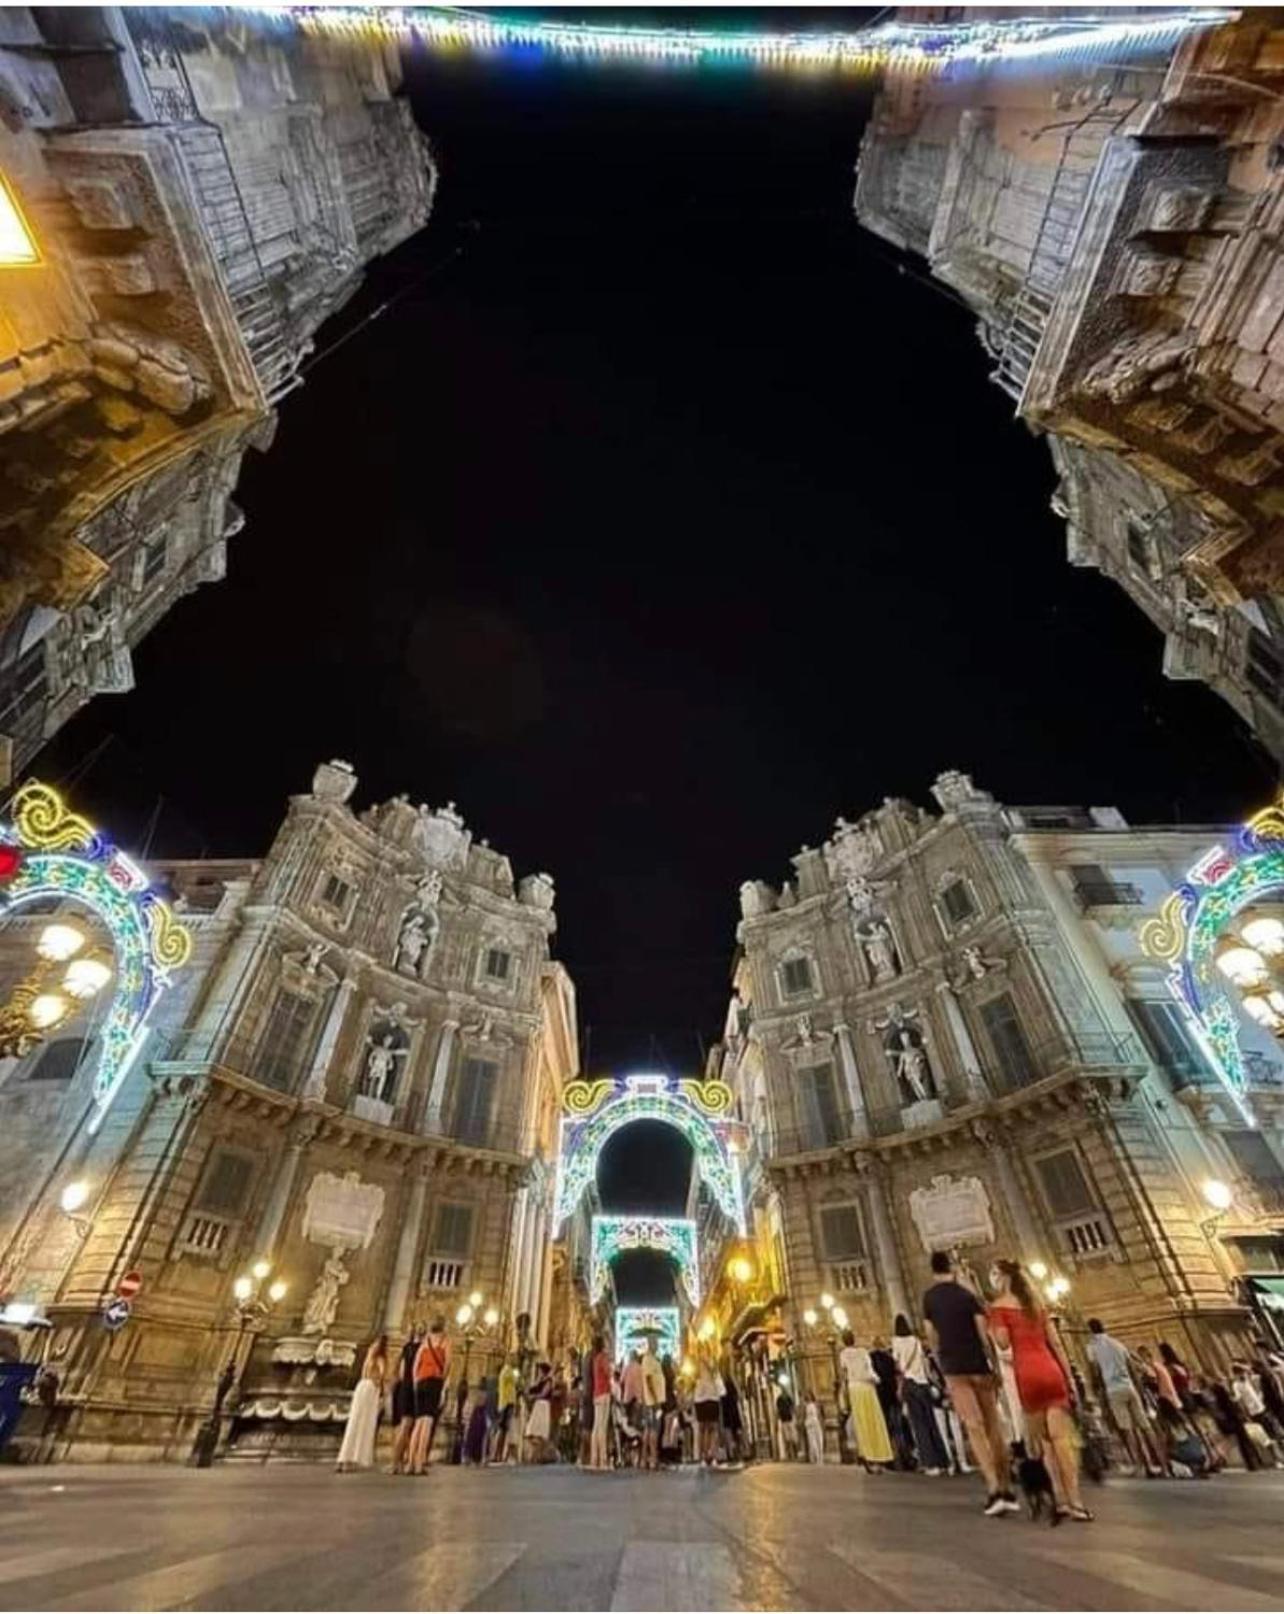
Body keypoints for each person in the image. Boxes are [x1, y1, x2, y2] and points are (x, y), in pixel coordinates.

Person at [987, 1259, 1091, 1523]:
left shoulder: (998, 1307)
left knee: (1044, 1445)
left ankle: (1059, 1500)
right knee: (1062, 1441)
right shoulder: (1037, 1305)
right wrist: (1069, 1378)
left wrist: (991, 1327)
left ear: (1004, 1278)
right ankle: (1077, 1502)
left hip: (1028, 1375)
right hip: (1051, 1370)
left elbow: (1002, 1344)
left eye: (995, 1274)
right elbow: (1056, 1343)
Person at [923, 1250, 1016, 1516]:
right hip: (979, 1366)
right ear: (952, 1269)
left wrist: (942, 1367)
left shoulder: (930, 1298)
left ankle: (993, 1488)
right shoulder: (968, 1297)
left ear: (933, 1271)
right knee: (993, 1427)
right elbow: (984, 1336)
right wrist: (994, 1366)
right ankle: (1007, 1486)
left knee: (974, 1429)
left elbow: (932, 1337)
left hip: (955, 1370)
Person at [1085, 1318, 1164, 1476]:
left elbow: (1095, 1371)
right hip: (1130, 1387)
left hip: (1113, 1390)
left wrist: (1097, 1390)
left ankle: (1141, 1465)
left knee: (1127, 1429)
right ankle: (1162, 1463)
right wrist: (1140, 1391)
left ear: (1091, 1331)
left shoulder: (1091, 1347)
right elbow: (1132, 1369)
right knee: (1145, 1426)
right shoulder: (1118, 1344)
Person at [891, 1314, 948, 1476]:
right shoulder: (916, 1341)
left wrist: (899, 1387)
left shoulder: (897, 1342)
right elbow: (924, 1364)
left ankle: (930, 1464)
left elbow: (898, 1367)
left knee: (919, 1425)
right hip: (923, 1383)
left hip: (910, 1384)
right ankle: (943, 1461)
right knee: (931, 1422)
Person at [837, 1330, 894, 1470]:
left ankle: (867, 1455)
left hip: (855, 1388)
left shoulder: (843, 1354)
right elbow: (870, 1370)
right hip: (868, 1387)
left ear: (843, 1341)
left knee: (861, 1423)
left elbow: (844, 1374)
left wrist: (842, 1394)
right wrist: (876, 1380)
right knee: (875, 1421)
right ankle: (881, 1454)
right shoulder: (863, 1352)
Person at [407, 1315, 451, 1474]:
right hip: (434, 1382)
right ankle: (419, 1464)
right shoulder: (445, 1341)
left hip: (420, 1382)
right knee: (427, 1423)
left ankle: (410, 1463)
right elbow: (447, 1365)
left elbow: (416, 1365)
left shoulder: (425, 1342)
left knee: (418, 1423)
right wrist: (441, 1384)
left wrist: (416, 1383)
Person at [336, 1334, 386, 1472]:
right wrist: (379, 1386)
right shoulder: (377, 1359)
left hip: (363, 1387)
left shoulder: (369, 1359)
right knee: (363, 1423)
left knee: (356, 1423)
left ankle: (345, 1458)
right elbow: (380, 1376)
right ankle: (351, 1458)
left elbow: (373, 1375)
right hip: (368, 1389)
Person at [870, 1334, 911, 1468]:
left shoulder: (870, 1359)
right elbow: (897, 1374)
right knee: (898, 1426)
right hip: (893, 1396)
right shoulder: (889, 1358)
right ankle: (904, 1455)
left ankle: (889, 1456)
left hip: (879, 1398)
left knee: (885, 1427)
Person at [388, 1323, 422, 1474]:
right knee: (408, 1426)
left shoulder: (406, 1348)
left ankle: (399, 1462)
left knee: (403, 1426)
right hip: (414, 1388)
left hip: (403, 1388)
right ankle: (397, 1462)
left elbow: (399, 1371)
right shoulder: (422, 1350)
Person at [693, 1349, 724, 1467]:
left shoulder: (712, 1360)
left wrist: (707, 1362)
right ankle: (703, 1456)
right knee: (703, 1427)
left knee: (714, 1426)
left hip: (712, 1395)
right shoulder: (696, 1362)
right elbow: (694, 1376)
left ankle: (713, 1454)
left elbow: (715, 1372)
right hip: (701, 1396)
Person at [588, 1334, 612, 1470]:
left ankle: (594, 1459)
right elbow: (608, 1372)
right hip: (604, 1393)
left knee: (596, 1427)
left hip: (597, 1393)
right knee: (602, 1426)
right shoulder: (603, 1357)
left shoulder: (595, 1358)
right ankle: (603, 1460)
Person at [641, 1340, 666, 1469]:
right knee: (654, 1429)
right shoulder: (648, 1360)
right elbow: (649, 1379)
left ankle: (645, 1458)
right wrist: (655, 1399)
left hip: (653, 1401)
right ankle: (653, 1459)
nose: (657, 1346)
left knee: (649, 1429)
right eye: (655, 1343)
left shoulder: (653, 1359)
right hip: (652, 1402)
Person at [493, 1352, 521, 1465]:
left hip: (505, 1402)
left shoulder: (505, 1370)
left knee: (503, 1430)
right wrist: (517, 1373)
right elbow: (516, 1382)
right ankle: (498, 1454)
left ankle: (499, 1454)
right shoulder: (509, 1371)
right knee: (503, 1429)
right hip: (507, 1402)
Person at [525, 1360, 553, 1463]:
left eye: (540, 1370)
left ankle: (540, 1456)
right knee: (533, 1432)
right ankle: (536, 1455)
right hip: (537, 1406)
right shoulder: (539, 1381)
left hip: (543, 1405)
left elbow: (544, 1393)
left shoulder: (549, 1381)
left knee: (540, 1432)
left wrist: (533, 1397)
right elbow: (532, 1389)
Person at [775, 1384, 799, 1461]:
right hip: (783, 1420)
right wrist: (778, 1418)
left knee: (793, 1437)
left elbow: (793, 1407)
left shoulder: (789, 1398)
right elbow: (778, 1410)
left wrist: (794, 1415)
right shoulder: (779, 1399)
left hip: (790, 1419)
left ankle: (795, 1453)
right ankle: (789, 1454)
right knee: (787, 1438)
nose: (784, 1391)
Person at [803, 1390, 825, 1464]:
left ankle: (820, 1457)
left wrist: (821, 1422)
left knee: (818, 1440)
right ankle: (816, 1457)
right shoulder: (806, 1406)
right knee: (813, 1441)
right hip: (810, 1423)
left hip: (815, 1422)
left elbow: (820, 1414)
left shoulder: (815, 1405)